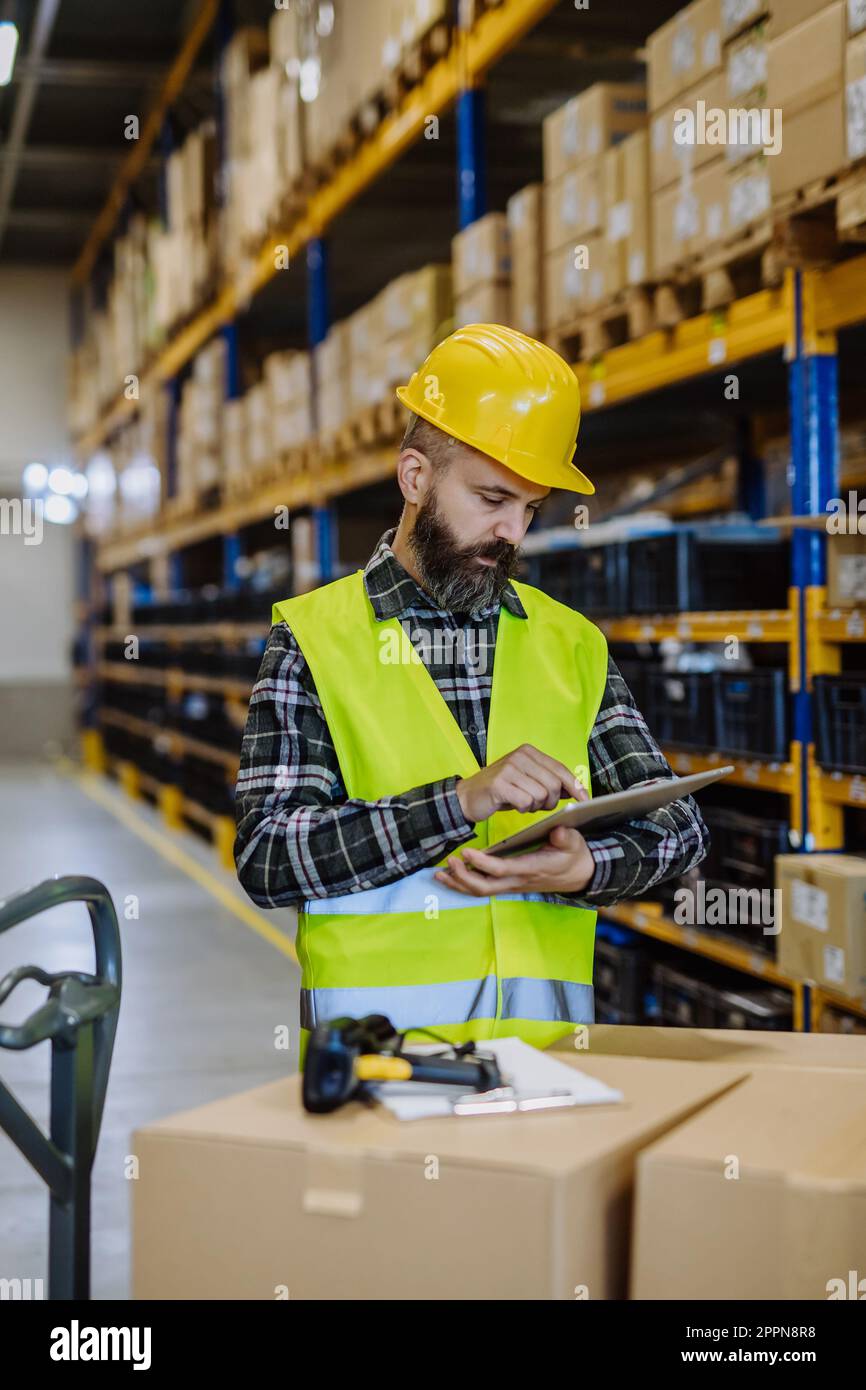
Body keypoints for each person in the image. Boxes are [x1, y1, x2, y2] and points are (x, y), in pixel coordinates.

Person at [235, 323, 708, 1058]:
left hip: (547, 1067)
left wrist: (587, 868)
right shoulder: (313, 639)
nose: (510, 532)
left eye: (529, 509)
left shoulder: (570, 643)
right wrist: (457, 803)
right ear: (415, 477)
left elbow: (680, 829)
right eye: (491, 498)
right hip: (380, 1071)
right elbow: (269, 858)